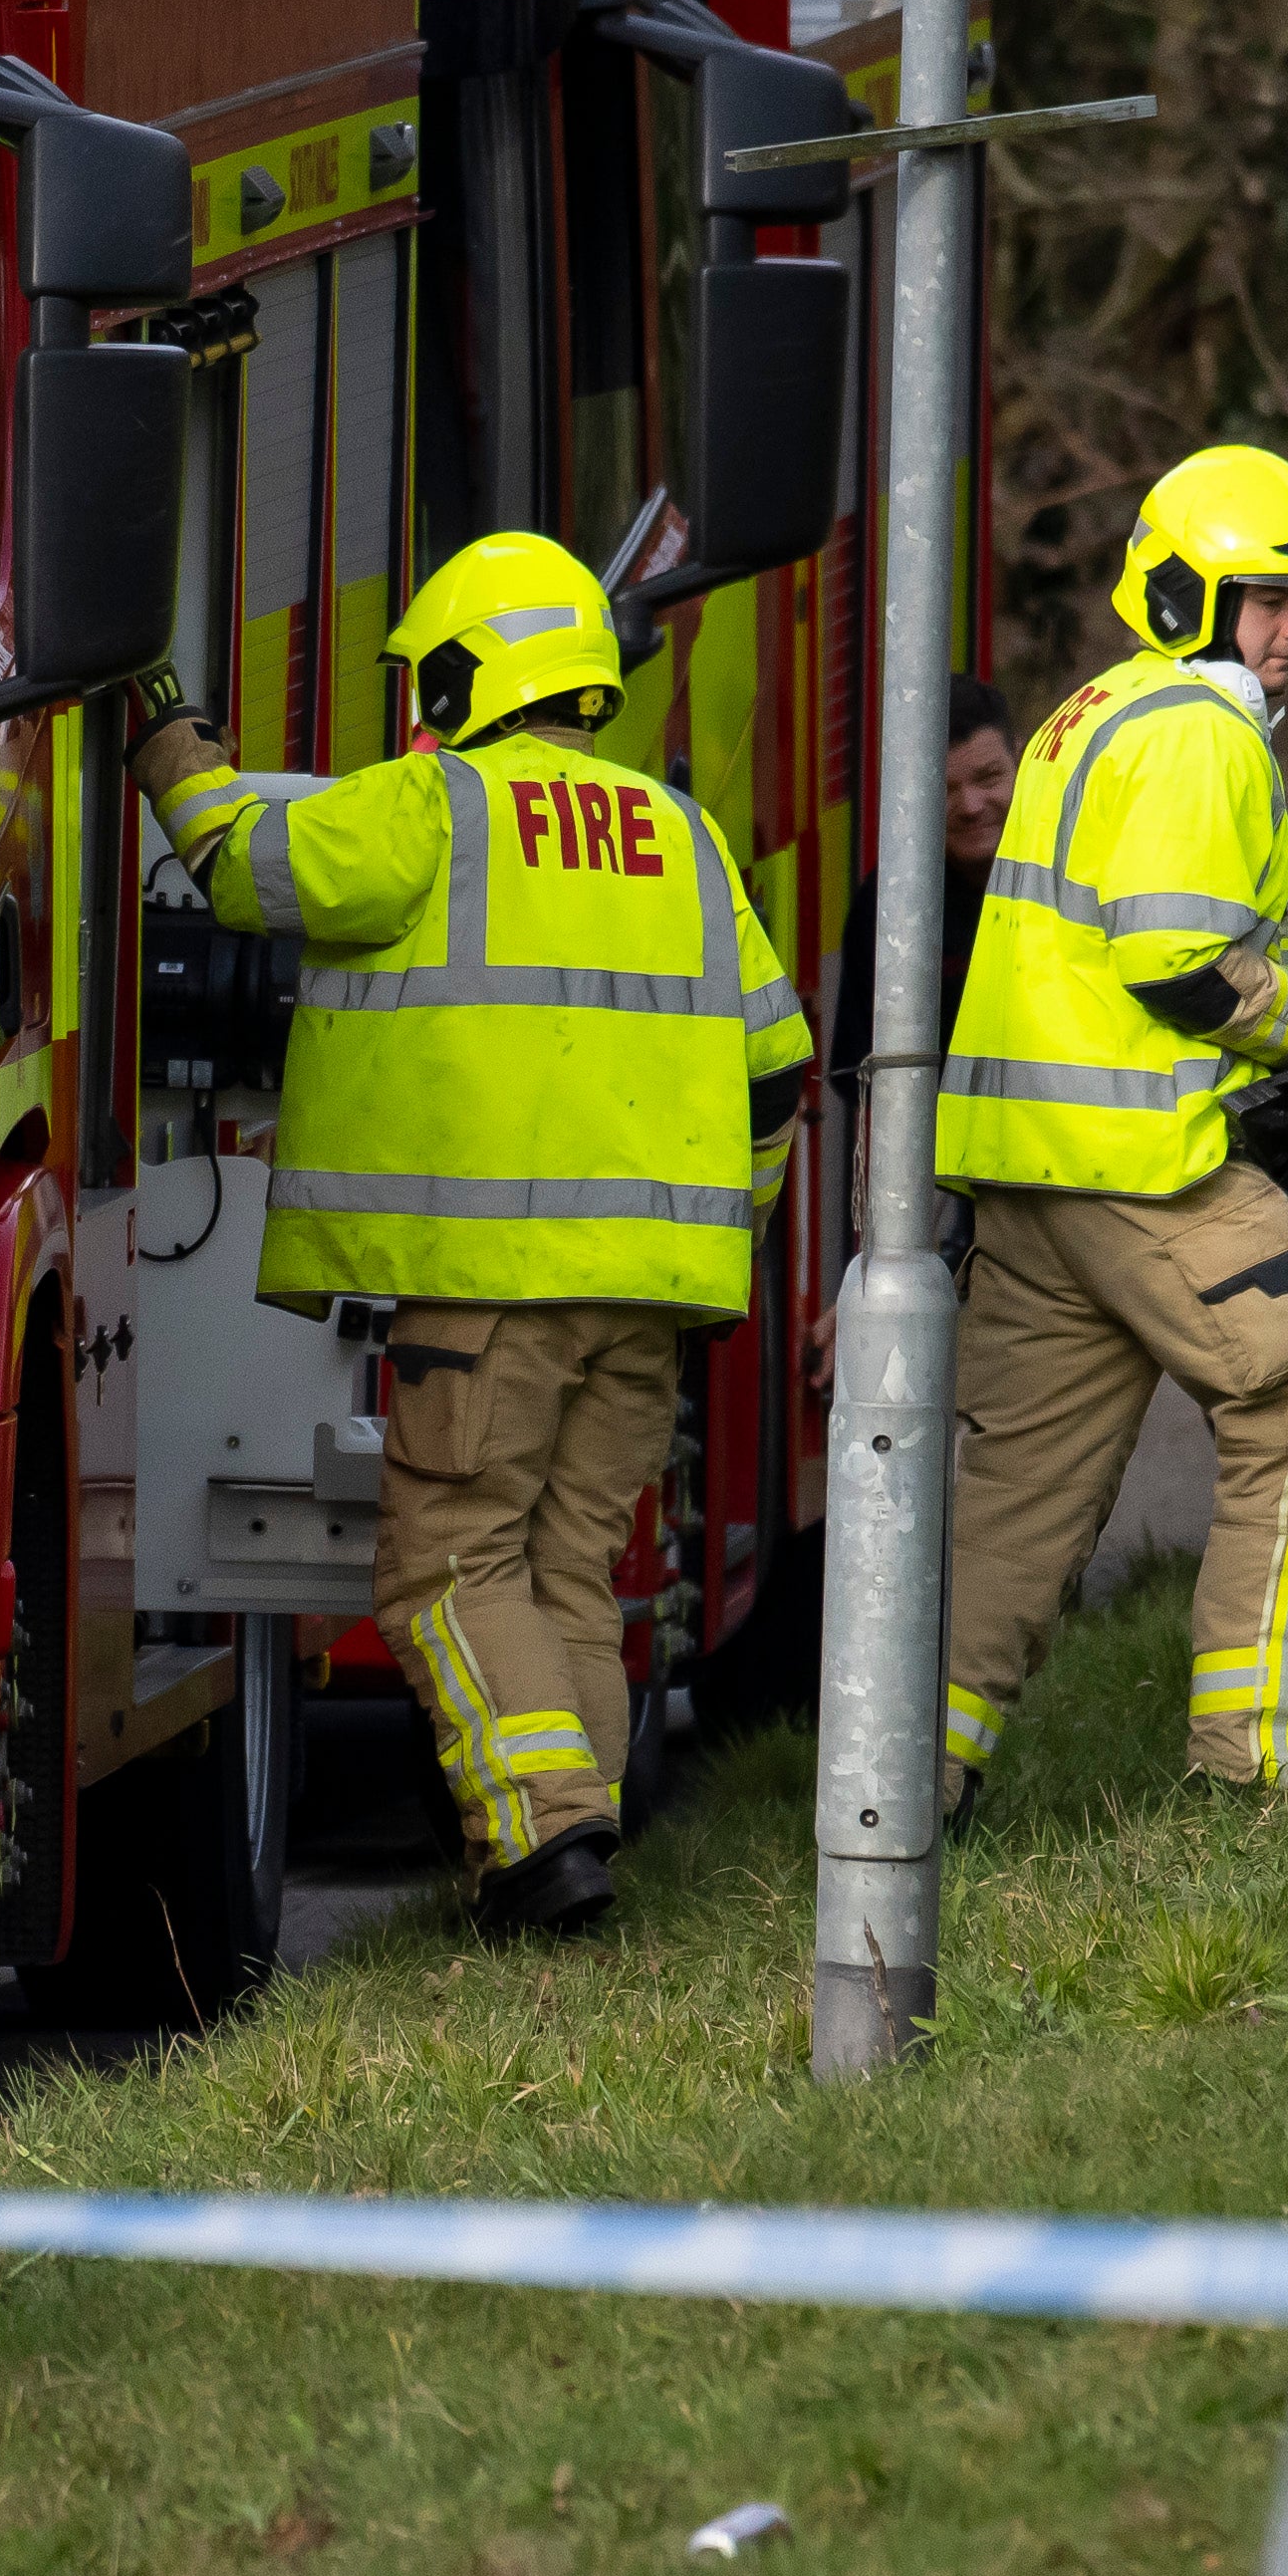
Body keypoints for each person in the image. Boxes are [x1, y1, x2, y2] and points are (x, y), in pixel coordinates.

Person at [134, 533, 812, 1939]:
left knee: (446, 1563)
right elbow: (778, 1069)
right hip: (645, 1299)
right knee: (570, 1567)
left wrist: (170, 745)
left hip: (484, 1294)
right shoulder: (678, 834)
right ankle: (580, 1841)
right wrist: (716, 1233)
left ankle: (540, 1846)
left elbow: (246, 868)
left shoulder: (430, 808)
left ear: (461, 672)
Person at [931, 443, 1288, 1806]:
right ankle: (1261, 1773)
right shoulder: (1202, 735)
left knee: (1015, 1506)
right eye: (1270, 599)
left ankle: (898, 1793)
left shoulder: (1090, 711)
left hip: (1030, 1173)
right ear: (1195, 595)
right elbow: (1182, 970)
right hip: (1146, 1166)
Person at [830, 676, 1015, 1089]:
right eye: (944, 790)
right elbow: (860, 1077)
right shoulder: (889, 908)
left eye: (987, 779)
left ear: (1021, 762)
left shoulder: (1078, 881)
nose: (969, 806)